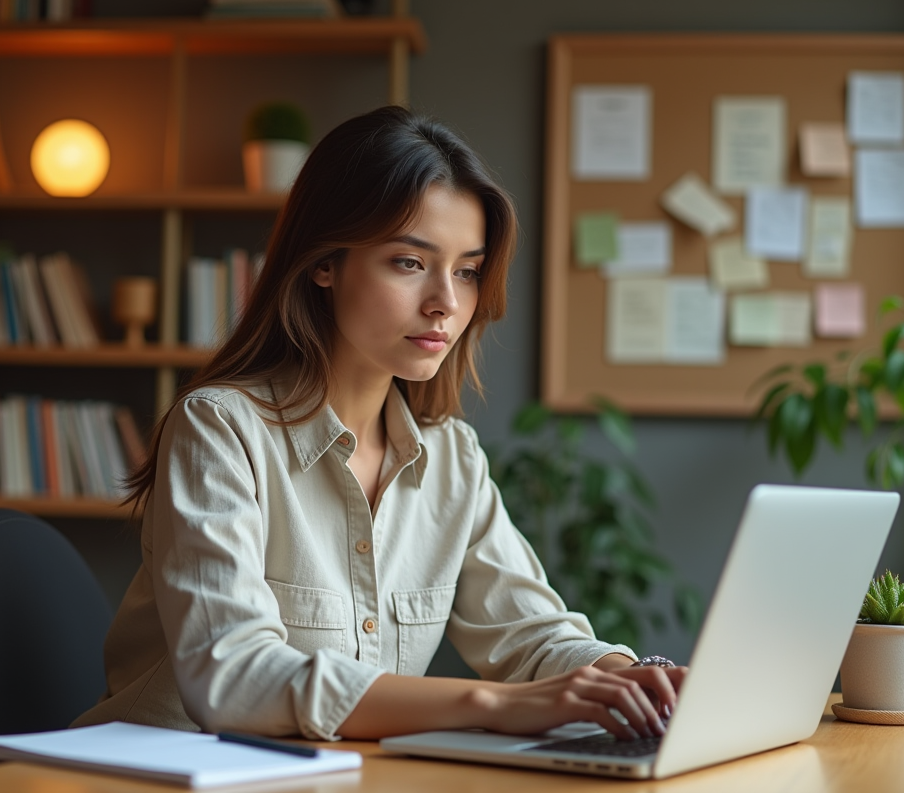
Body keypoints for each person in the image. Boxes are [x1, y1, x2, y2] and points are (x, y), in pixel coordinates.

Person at [73, 106, 684, 742]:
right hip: (165, 775)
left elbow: (530, 631)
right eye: (410, 263)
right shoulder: (220, 430)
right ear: (324, 263)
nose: (447, 302)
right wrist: (495, 705)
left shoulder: (452, 457)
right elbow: (232, 676)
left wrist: (633, 679)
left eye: (468, 271)